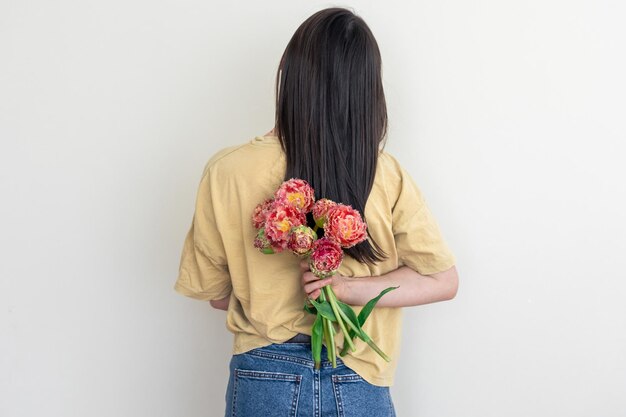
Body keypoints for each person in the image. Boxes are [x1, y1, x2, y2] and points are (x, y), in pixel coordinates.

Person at [173, 7, 459, 417]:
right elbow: (442, 280)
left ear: (289, 71)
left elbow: (215, 295)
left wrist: (279, 285)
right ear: (366, 90)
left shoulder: (227, 171)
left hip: (263, 378)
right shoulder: (385, 174)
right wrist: (350, 289)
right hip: (359, 376)